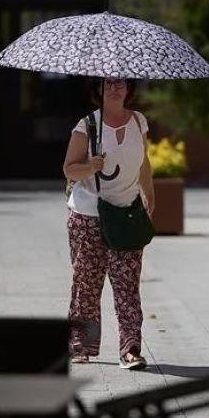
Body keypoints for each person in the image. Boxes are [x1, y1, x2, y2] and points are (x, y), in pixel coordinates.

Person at [62, 77, 154, 370]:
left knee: (127, 285)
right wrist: (91, 166)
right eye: (108, 84)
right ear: (98, 90)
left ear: (129, 89)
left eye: (121, 83)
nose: (115, 88)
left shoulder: (139, 122)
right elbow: (70, 169)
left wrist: (150, 194)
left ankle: (131, 348)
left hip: (126, 214)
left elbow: (144, 163)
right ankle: (81, 344)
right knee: (87, 283)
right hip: (88, 216)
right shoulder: (86, 125)